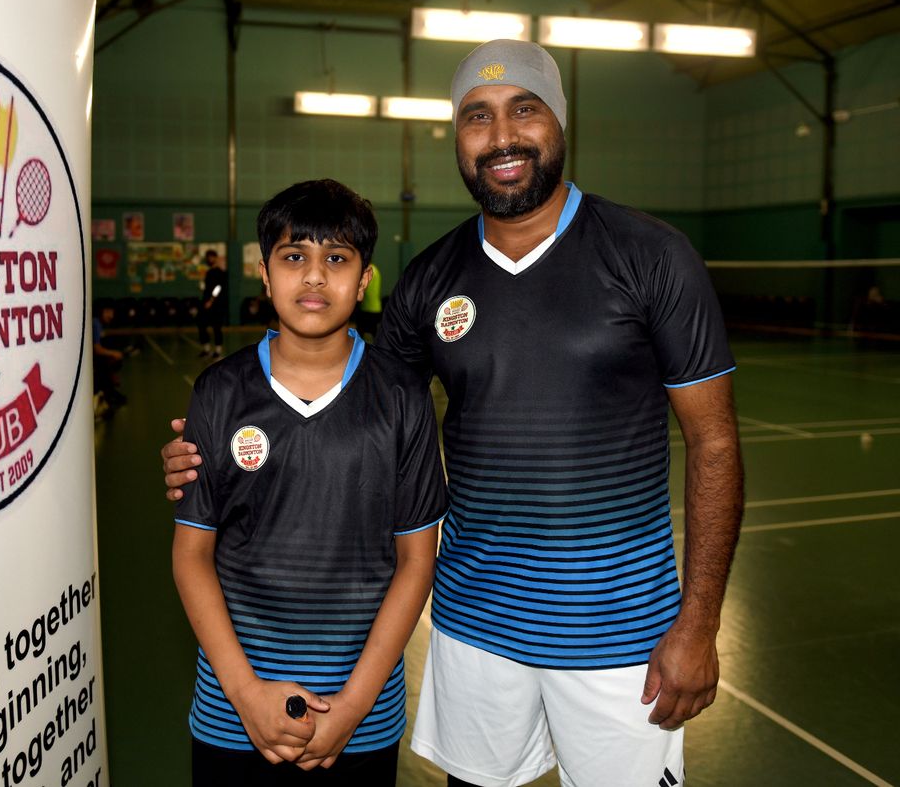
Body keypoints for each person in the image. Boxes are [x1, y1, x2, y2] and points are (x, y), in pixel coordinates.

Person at [163, 40, 744, 787]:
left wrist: (698, 623)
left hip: (620, 629)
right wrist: (200, 450)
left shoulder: (652, 255)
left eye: (524, 109)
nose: (501, 136)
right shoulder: (430, 280)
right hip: (475, 627)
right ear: (457, 138)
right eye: (477, 116)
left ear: (559, 124)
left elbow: (716, 441)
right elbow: (353, 408)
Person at [172, 179, 448, 786]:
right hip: (231, 714)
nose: (315, 277)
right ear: (265, 276)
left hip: (360, 719)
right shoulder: (219, 391)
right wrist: (244, 693)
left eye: (337, 259)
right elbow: (191, 555)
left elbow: (416, 564)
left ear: (366, 278)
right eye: (294, 257)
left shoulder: (402, 396)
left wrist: (351, 707)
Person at [92, 304, 126, 418]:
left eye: (112, 312)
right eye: (107, 312)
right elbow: (97, 350)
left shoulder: (99, 324)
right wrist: (113, 353)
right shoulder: (95, 324)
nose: (110, 315)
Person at [197, 249, 228, 358]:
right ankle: (206, 349)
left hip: (216, 305)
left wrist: (211, 300)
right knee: (202, 325)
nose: (209, 259)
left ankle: (218, 350)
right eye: (208, 257)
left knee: (216, 327)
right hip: (206, 303)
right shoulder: (208, 272)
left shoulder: (220, 273)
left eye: (211, 257)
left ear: (215, 258)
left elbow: (218, 288)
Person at [356, 262, 383, 339]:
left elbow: (363, 290)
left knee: (359, 336)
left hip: (367, 309)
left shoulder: (367, 271)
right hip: (376, 308)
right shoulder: (376, 270)